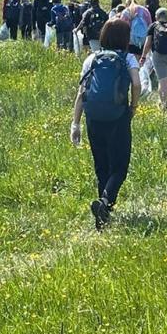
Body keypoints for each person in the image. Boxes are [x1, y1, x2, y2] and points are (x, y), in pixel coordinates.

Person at [70, 17, 141, 229]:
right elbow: (137, 84)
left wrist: (75, 123)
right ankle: (105, 203)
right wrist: (133, 107)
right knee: (119, 167)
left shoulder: (92, 59)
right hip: (118, 116)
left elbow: (81, 92)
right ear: (125, 38)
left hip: (93, 116)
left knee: (101, 165)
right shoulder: (128, 58)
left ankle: (103, 215)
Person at [143, 7, 167, 109]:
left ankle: (163, 104)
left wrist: (143, 56)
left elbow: (148, 43)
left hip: (158, 56)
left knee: (163, 80)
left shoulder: (153, 26)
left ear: (157, 17)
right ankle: (165, 99)